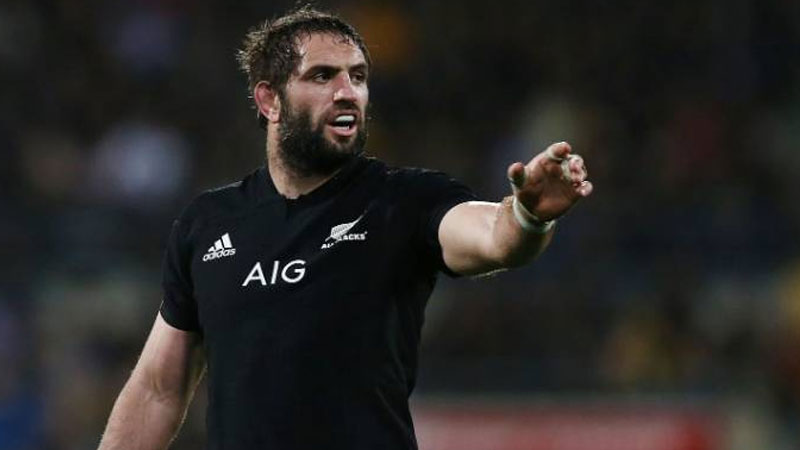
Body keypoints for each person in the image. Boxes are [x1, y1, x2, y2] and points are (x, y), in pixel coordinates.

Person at [98, 7, 592, 450]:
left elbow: (494, 238)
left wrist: (529, 215)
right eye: (322, 76)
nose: (347, 92)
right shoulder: (208, 223)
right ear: (269, 100)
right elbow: (158, 389)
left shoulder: (402, 200)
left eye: (358, 76)